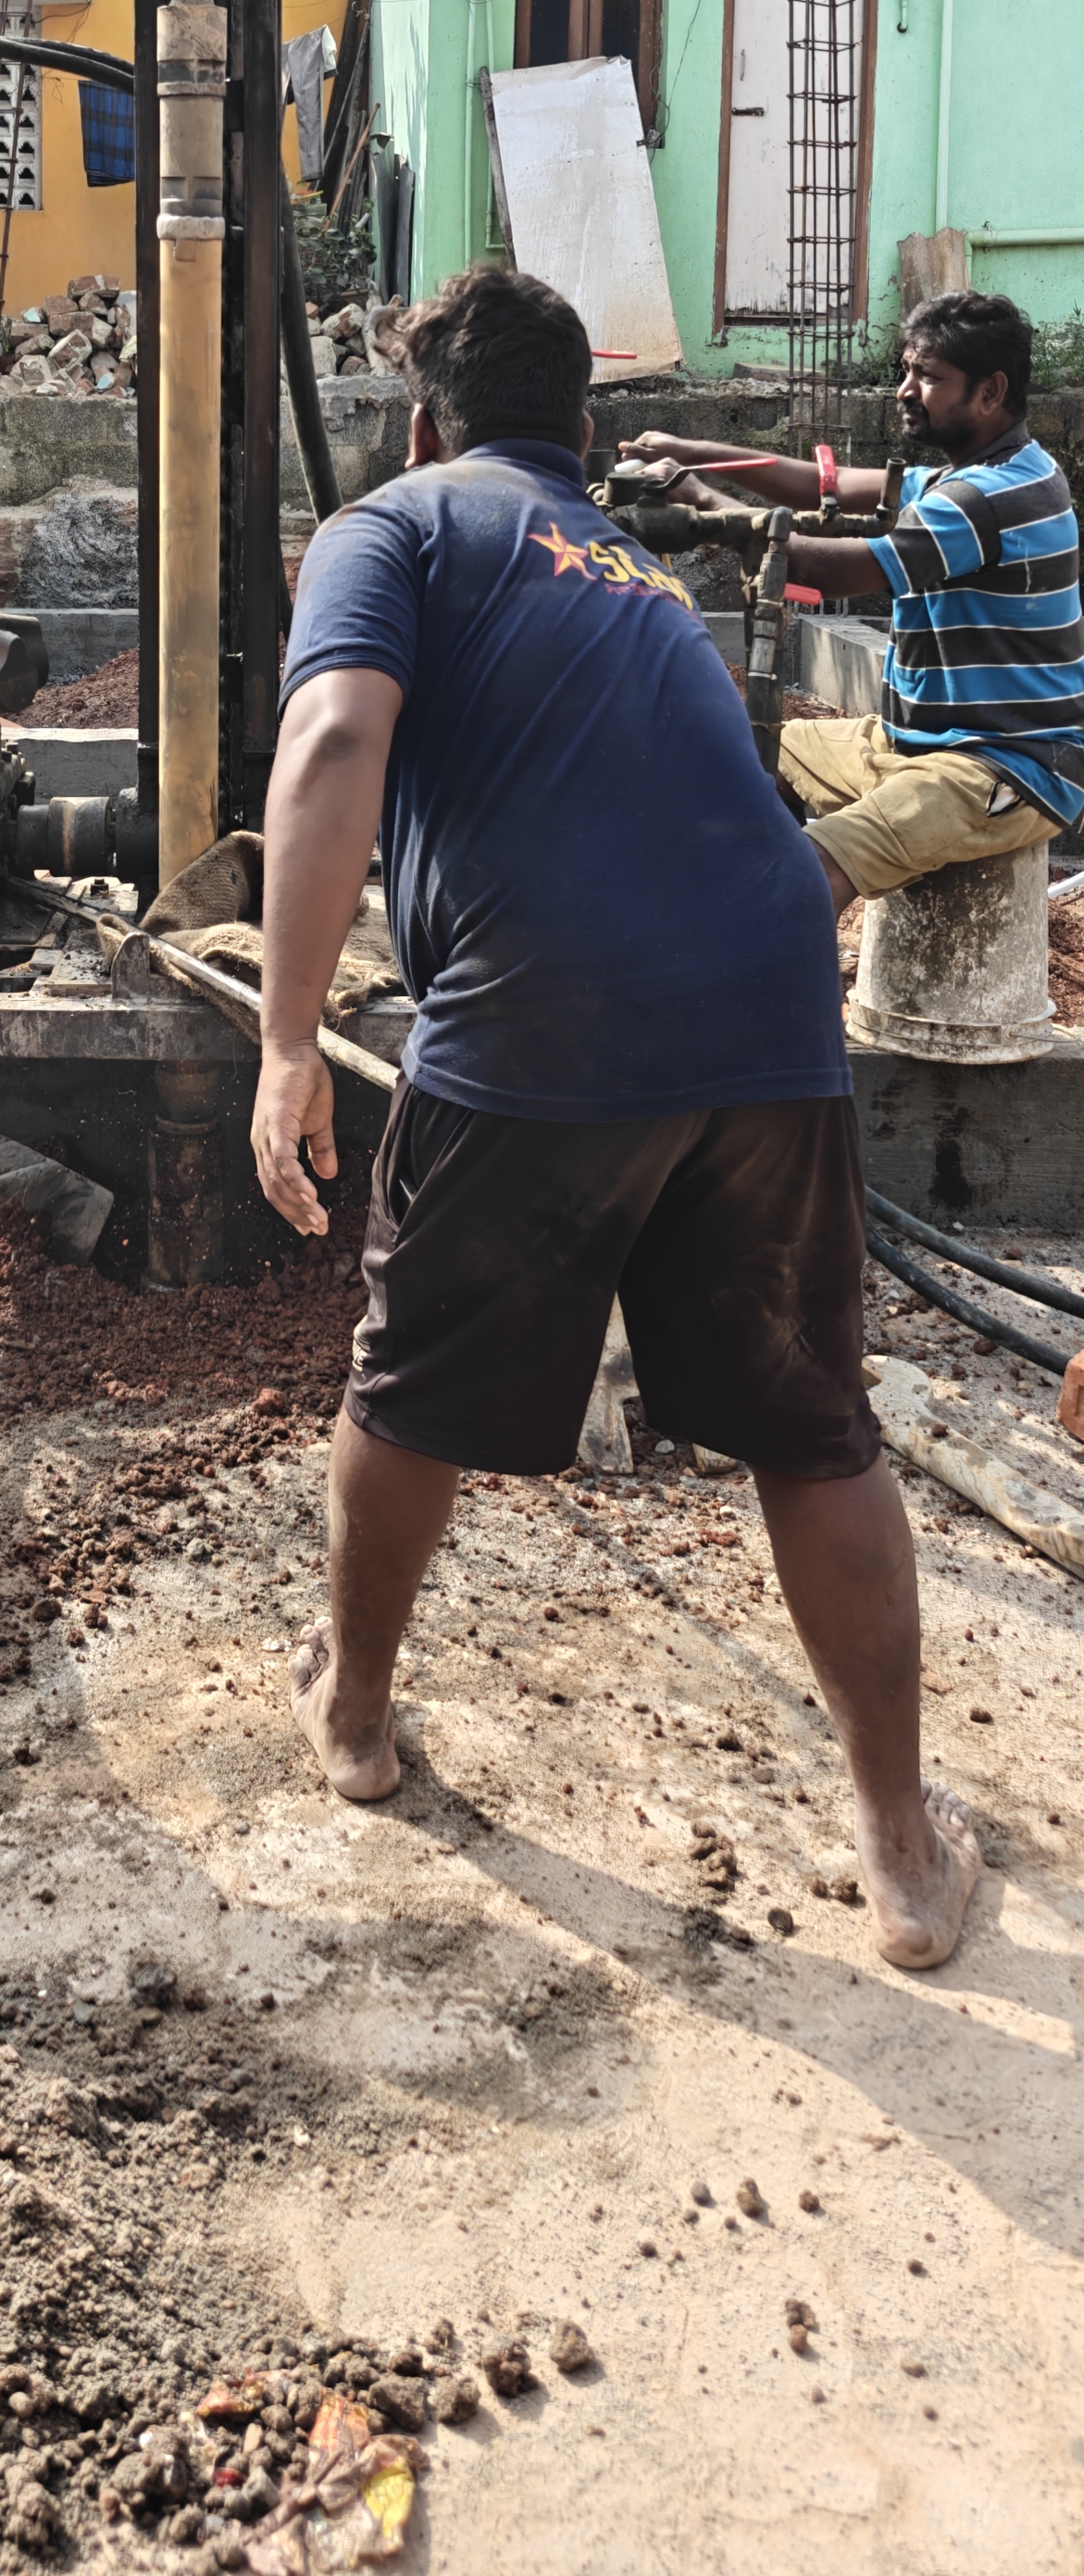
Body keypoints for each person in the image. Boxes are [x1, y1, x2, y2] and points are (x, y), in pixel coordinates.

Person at [250, 261, 979, 1974]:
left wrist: (285, 1034)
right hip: (769, 1001)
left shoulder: (397, 524)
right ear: (580, 429)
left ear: (423, 423)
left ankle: (352, 1716)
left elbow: (330, 740)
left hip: (543, 1015)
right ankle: (897, 1853)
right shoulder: (639, 567)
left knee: (408, 1373)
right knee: (814, 1428)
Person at [618, 287, 1083, 926]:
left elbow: (812, 564)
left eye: (927, 376)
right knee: (733, 749)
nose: (903, 388)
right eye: (905, 369)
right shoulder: (973, 475)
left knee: (810, 867)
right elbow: (820, 483)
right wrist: (693, 449)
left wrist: (694, 495)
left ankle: (764, 988)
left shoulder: (991, 498)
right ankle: (727, 926)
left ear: (989, 392)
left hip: (1003, 766)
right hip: (910, 744)